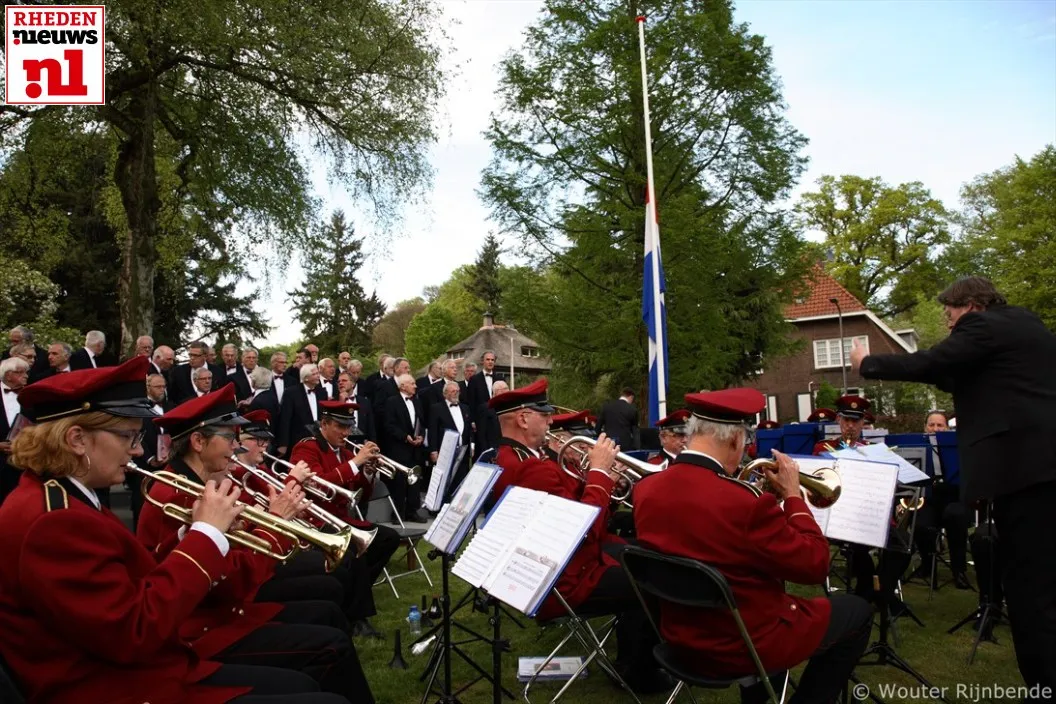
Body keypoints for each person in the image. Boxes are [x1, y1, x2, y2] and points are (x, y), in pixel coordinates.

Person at [0, 356, 349, 703]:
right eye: (128, 436)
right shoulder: (54, 519)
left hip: (149, 664)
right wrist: (208, 535)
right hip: (125, 684)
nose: (137, 450)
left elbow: (135, 579)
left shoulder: (63, 496)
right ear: (77, 439)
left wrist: (194, 535)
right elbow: (134, 630)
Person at [851, 276, 1056, 695]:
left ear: (972, 306)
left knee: (1030, 593)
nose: (948, 325)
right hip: (1042, 470)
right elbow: (961, 374)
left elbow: (931, 362)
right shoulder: (1025, 326)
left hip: (1027, 474)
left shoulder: (983, 326)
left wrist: (867, 364)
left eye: (949, 315)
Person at [634, 388, 872, 704]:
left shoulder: (646, 489)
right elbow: (815, 565)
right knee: (858, 611)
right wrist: (793, 498)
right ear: (735, 440)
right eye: (745, 443)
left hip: (681, 639)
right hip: (743, 645)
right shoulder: (745, 504)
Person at [138, 385, 373, 702]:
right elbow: (221, 584)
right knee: (330, 640)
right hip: (208, 625)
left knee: (328, 614)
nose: (236, 446)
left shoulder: (203, 484)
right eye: (229, 437)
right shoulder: (174, 494)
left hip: (228, 605)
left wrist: (260, 522)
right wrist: (274, 525)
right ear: (197, 441)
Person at [488, 378, 672, 694]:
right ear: (522, 418)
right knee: (654, 578)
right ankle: (639, 671)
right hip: (567, 579)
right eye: (543, 414)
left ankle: (631, 658)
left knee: (647, 554)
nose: (550, 420)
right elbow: (580, 530)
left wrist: (602, 481)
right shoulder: (532, 469)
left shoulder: (513, 458)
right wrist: (600, 476)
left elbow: (574, 509)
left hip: (557, 567)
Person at [908, 410, 971, 589]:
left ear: (947, 427)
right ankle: (927, 565)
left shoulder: (957, 446)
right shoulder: (919, 446)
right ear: (925, 427)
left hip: (955, 499)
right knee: (918, 521)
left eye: (940, 425)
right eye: (931, 425)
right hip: (930, 499)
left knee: (955, 516)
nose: (935, 428)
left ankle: (959, 570)